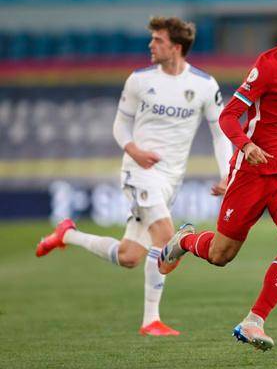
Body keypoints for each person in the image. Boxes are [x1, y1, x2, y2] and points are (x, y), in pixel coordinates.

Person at [35, 17, 232, 336]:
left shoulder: (204, 85)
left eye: (158, 40)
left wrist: (226, 174)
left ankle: (67, 234)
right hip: (139, 171)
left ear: (176, 47)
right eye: (152, 39)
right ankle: (150, 321)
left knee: (129, 256)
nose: (150, 45)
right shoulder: (139, 80)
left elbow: (221, 133)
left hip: (171, 179)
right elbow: (120, 126)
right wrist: (134, 150)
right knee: (167, 238)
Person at [157, 5, 277, 350]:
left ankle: (254, 321)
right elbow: (228, 116)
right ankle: (185, 240)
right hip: (252, 172)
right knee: (222, 254)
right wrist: (246, 145)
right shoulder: (269, 66)